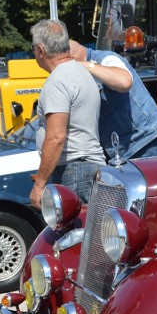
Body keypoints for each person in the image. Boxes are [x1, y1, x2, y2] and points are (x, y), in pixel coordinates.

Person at [30, 20, 105, 208]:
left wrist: (39, 185)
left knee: (74, 235)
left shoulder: (58, 80)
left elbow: (56, 136)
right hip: (88, 169)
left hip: (74, 171)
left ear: (40, 50)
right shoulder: (82, 72)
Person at [69, 41, 157, 160]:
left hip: (145, 145)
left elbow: (124, 81)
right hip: (119, 153)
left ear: (70, 59)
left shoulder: (107, 58)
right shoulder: (81, 74)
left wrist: (85, 65)